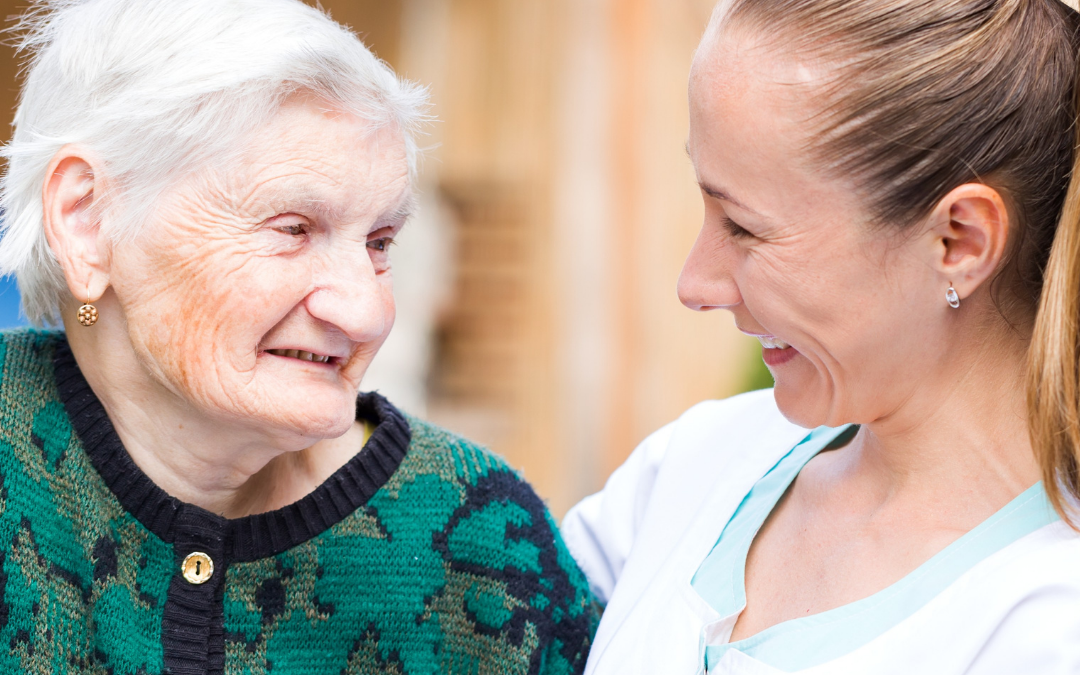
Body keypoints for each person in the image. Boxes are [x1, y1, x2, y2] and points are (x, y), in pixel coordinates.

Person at [0, 1, 597, 673]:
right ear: (88, 219)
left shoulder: (486, 545)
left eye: (379, 241)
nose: (367, 312)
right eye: (292, 228)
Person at [562, 0, 1080, 672]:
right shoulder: (694, 466)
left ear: (959, 240)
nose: (695, 284)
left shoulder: (1047, 625)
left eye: (746, 229)